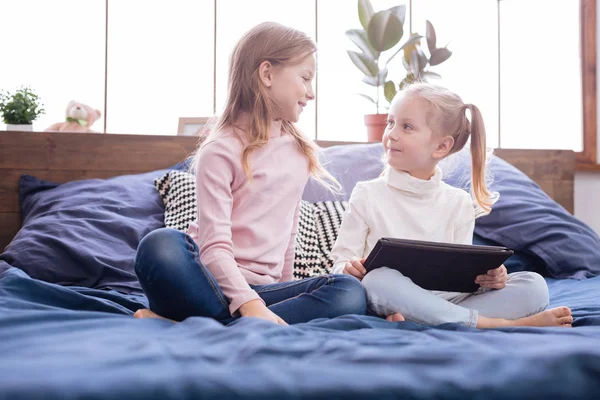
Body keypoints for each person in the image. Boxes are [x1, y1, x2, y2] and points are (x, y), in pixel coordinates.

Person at [133, 22, 367, 325]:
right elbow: (214, 246)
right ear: (267, 74)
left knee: (348, 291)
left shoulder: (297, 152)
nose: (311, 93)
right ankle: (242, 319)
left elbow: (288, 236)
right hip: (208, 282)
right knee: (160, 245)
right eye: (306, 78)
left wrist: (281, 290)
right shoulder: (221, 149)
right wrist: (249, 304)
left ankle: (203, 324)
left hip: (264, 292)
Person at [330, 83, 573, 329]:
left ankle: (426, 320)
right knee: (377, 279)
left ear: (441, 146)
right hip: (391, 295)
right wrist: (349, 268)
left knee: (534, 286)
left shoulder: (459, 203)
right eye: (390, 123)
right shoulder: (367, 193)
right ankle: (491, 324)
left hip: (446, 300)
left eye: (407, 126)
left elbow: (461, 278)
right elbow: (340, 265)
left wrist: (489, 279)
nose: (391, 133)